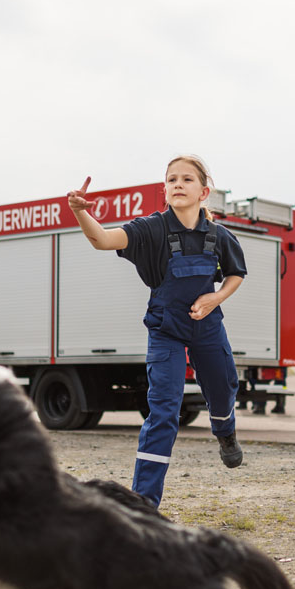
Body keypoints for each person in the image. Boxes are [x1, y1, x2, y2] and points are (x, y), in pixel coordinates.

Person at [67, 157, 247, 508]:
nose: (178, 184)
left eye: (186, 179)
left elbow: (236, 273)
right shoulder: (150, 228)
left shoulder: (219, 235)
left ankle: (226, 434)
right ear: (164, 190)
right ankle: (144, 504)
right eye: (171, 179)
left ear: (203, 192)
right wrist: (79, 211)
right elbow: (102, 239)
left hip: (207, 327)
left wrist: (216, 297)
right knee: (163, 411)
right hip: (166, 330)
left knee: (224, 391)